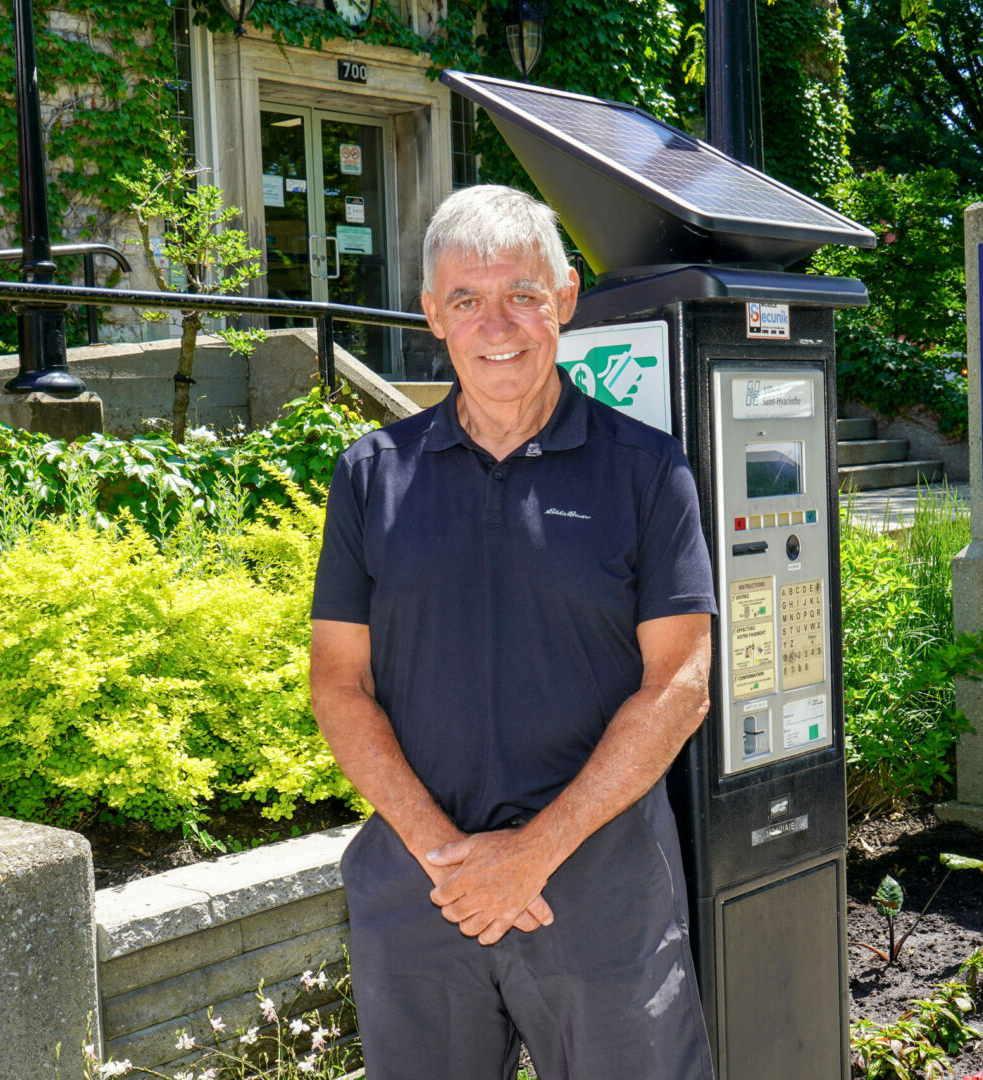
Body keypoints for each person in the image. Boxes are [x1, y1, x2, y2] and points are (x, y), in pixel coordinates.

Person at [309, 184, 718, 1080]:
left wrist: (531, 855)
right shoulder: (371, 477)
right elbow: (338, 683)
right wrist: (448, 858)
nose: (498, 325)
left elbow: (681, 684)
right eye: (467, 299)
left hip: (602, 890)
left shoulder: (648, 471)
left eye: (523, 296)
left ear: (565, 298)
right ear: (432, 315)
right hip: (423, 892)